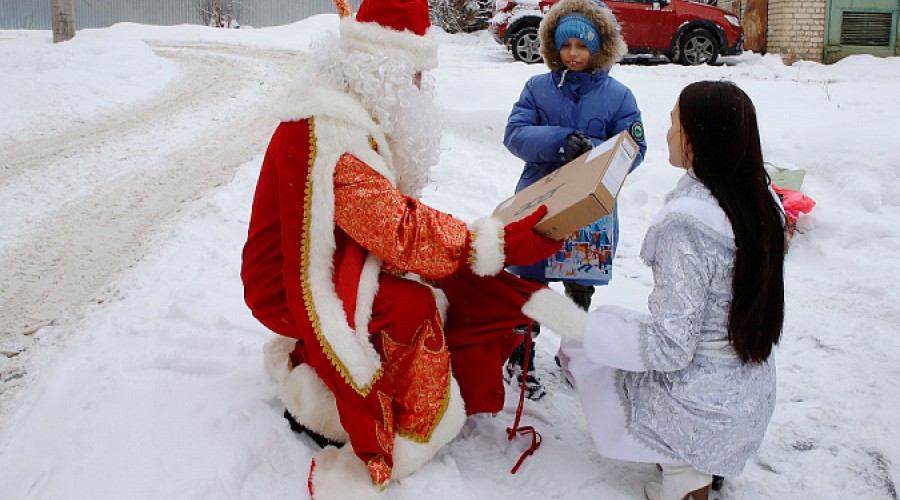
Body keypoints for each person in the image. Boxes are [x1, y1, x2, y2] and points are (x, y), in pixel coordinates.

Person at [239, 0, 569, 497]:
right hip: (288, 285)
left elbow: (383, 218)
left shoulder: (348, 108)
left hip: (329, 257)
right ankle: (405, 428)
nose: (420, 88)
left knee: (437, 275)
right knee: (411, 302)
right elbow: (396, 228)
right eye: (415, 74)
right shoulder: (332, 127)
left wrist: (470, 246)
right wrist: (493, 242)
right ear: (382, 70)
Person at [525, 80, 786, 499]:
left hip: (703, 406)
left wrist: (576, 326)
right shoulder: (759, 198)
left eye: (673, 122)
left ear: (697, 136)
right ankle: (699, 459)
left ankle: (686, 467)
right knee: (614, 326)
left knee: (591, 350)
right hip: (749, 394)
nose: (667, 133)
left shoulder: (689, 224)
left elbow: (670, 347)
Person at [502, 0, 647, 400]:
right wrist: (558, 142)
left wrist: (595, 154)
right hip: (540, 200)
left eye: (581, 47)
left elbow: (635, 147)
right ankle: (521, 356)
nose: (572, 55)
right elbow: (515, 134)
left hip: (590, 210)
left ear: (599, 47)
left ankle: (574, 358)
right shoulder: (537, 88)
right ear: (553, 47)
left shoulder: (619, 96)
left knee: (580, 285)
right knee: (531, 280)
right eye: (564, 46)